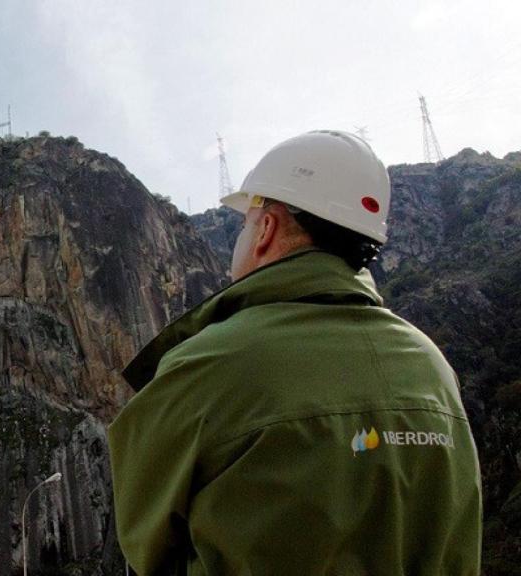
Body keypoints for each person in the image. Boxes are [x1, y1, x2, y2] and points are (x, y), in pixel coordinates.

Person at [108, 130, 481, 575]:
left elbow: (145, 545)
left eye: (246, 222)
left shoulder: (205, 365)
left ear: (266, 227)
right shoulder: (431, 364)